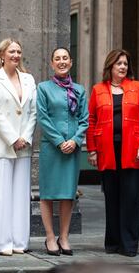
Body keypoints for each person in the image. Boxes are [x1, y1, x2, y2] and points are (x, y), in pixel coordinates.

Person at [86, 49, 139, 257]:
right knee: (112, 197)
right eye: (118, 64)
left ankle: (129, 245)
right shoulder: (98, 90)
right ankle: (113, 243)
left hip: (133, 151)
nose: (122, 67)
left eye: (125, 63)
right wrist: (92, 149)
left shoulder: (138, 87)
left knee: (131, 198)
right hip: (107, 151)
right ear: (110, 67)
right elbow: (91, 120)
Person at [0, 39, 37, 256]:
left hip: (23, 147)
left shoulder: (29, 79)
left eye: (19, 51)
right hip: (1, 145)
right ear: (2, 54)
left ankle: (19, 242)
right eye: (12, 51)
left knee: (21, 196)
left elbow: (32, 112)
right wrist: (13, 138)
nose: (16, 55)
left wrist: (25, 138)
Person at [36, 47, 89, 256]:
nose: (61, 61)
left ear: (71, 62)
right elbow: (43, 117)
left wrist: (75, 141)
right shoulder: (43, 88)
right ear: (51, 63)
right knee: (47, 194)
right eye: (57, 59)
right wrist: (60, 141)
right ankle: (50, 237)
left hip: (73, 149)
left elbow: (84, 119)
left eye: (65, 58)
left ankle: (64, 237)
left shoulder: (80, 90)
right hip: (52, 148)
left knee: (68, 194)